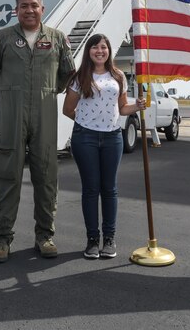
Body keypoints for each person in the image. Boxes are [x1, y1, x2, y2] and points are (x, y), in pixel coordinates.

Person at [0, 0, 75, 262]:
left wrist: (46, 92)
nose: (29, 10)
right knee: (8, 176)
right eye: (23, 6)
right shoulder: (1, 39)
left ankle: (45, 236)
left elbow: (68, 75)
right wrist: (13, 93)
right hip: (12, 116)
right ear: (16, 10)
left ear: (42, 9)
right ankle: (2, 239)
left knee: (46, 178)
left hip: (45, 116)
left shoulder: (57, 39)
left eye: (34, 5)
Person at [63, 33, 145, 259]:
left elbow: (122, 109)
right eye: (95, 47)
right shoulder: (80, 77)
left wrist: (136, 106)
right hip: (85, 137)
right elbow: (68, 110)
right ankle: (92, 240)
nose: (99, 51)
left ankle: (109, 239)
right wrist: (87, 122)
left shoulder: (118, 76)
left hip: (112, 138)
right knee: (91, 189)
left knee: (109, 189)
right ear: (88, 51)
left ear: (109, 51)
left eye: (104, 47)